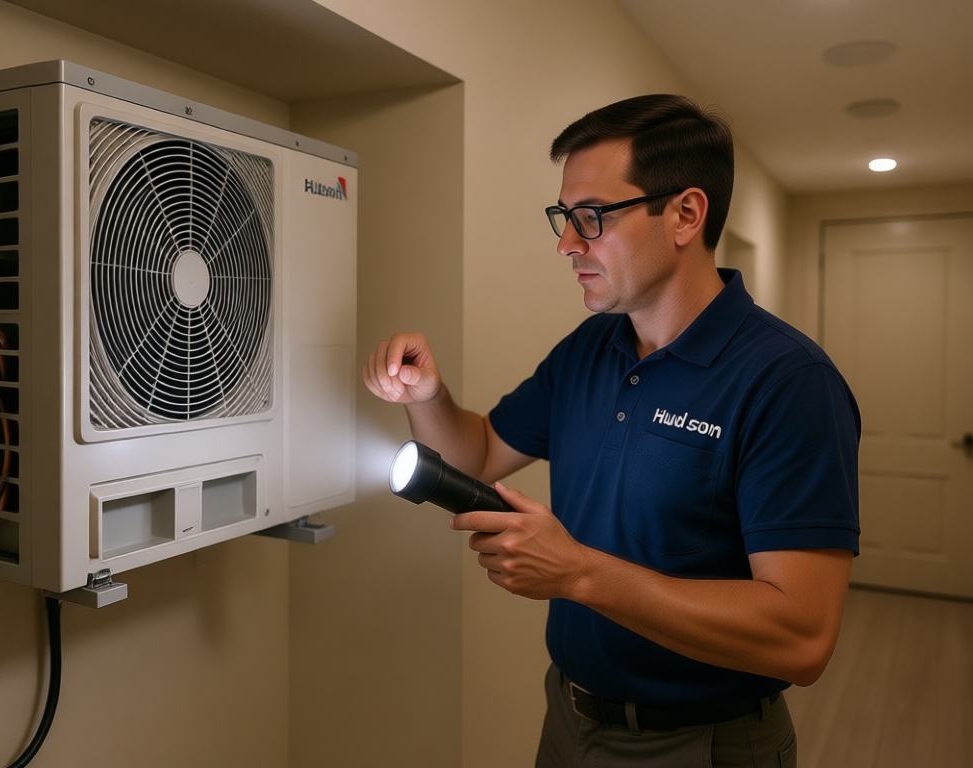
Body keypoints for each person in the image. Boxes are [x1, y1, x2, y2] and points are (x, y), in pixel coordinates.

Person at [361, 94, 860, 767]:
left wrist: (580, 574)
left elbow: (803, 638)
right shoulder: (590, 349)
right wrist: (428, 396)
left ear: (685, 214)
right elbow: (476, 454)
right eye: (563, 218)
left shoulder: (788, 382)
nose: (567, 244)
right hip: (569, 719)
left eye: (591, 218)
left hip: (702, 742)